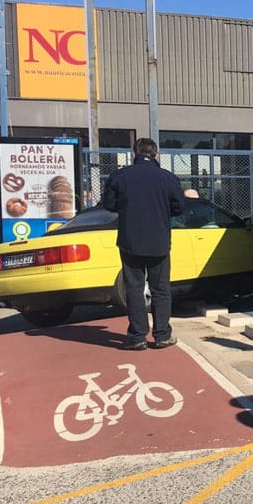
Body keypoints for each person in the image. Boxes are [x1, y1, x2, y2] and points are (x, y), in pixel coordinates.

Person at [102, 138, 186, 350]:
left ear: (134, 153)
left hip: (130, 241)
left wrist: (127, 206)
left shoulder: (120, 176)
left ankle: (138, 336)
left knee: (134, 288)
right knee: (161, 289)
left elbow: (109, 204)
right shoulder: (168, 178)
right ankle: (162, 335)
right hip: (159, 241)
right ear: (156, 155)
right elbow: (179, 207)